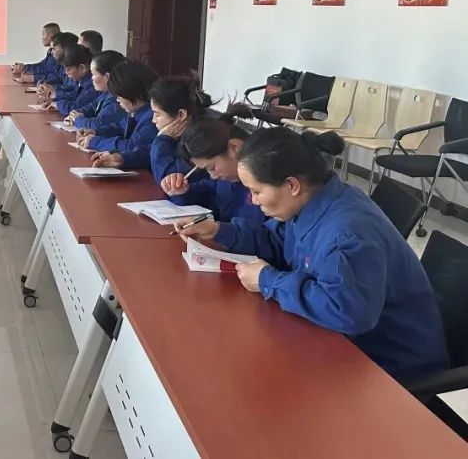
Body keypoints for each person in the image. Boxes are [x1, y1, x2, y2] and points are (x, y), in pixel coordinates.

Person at [176, 127, 449, 381]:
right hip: (343, 344)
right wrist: (219, 230)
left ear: (292, 185)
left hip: (390, 367)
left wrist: (268, 280)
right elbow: (275, 240)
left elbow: (348, 312)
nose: (254, 200)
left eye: (257, 191)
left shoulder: (348, 232)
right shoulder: (311, 202)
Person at [159, 106, 265, 225]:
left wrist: (219, 230)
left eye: (212, 168)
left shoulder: (266, 187)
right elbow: (204, 192)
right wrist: (182, 191)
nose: (213, 176)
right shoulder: (223, 180)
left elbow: (260, 232)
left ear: (234, 148)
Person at [80, 59, 159, 169]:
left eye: (120, 96)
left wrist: (95, 141)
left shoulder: (153, 117)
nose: (117, 100)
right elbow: (119, 127)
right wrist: (96, 132)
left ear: (133, 92)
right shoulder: (135, 112)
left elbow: (131, 146)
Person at [147, 77, 213, 182]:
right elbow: (147, 152)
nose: (153, 120)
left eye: (157, 114)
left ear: (181, 114)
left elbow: (168, 180)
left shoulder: (199, 139)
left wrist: (162, 139)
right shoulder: (178, 132)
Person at [64, 50, 126, 130]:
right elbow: (92, 106)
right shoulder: (107, 93)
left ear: (106, 76)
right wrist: (77, 113)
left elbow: (99, 125)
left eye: (93, 74)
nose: (91, 78)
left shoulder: (117, 99)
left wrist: (77, 120)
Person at [34, 32, 80, 100]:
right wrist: (46, 84)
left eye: (54, 49)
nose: (52, 52)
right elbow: (61, 82)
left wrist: (55, 94)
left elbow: (75, 94)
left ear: (66, 49)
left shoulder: (77, 69)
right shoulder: (61, 65)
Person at [52, 45, 96, 117]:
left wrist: (58, 104)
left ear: (82, 68)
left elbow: (74, 108)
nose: (66, 73)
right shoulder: (82, 80)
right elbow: (73, 95)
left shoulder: (92, 84)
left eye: (68, 69)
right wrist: (55, 97)